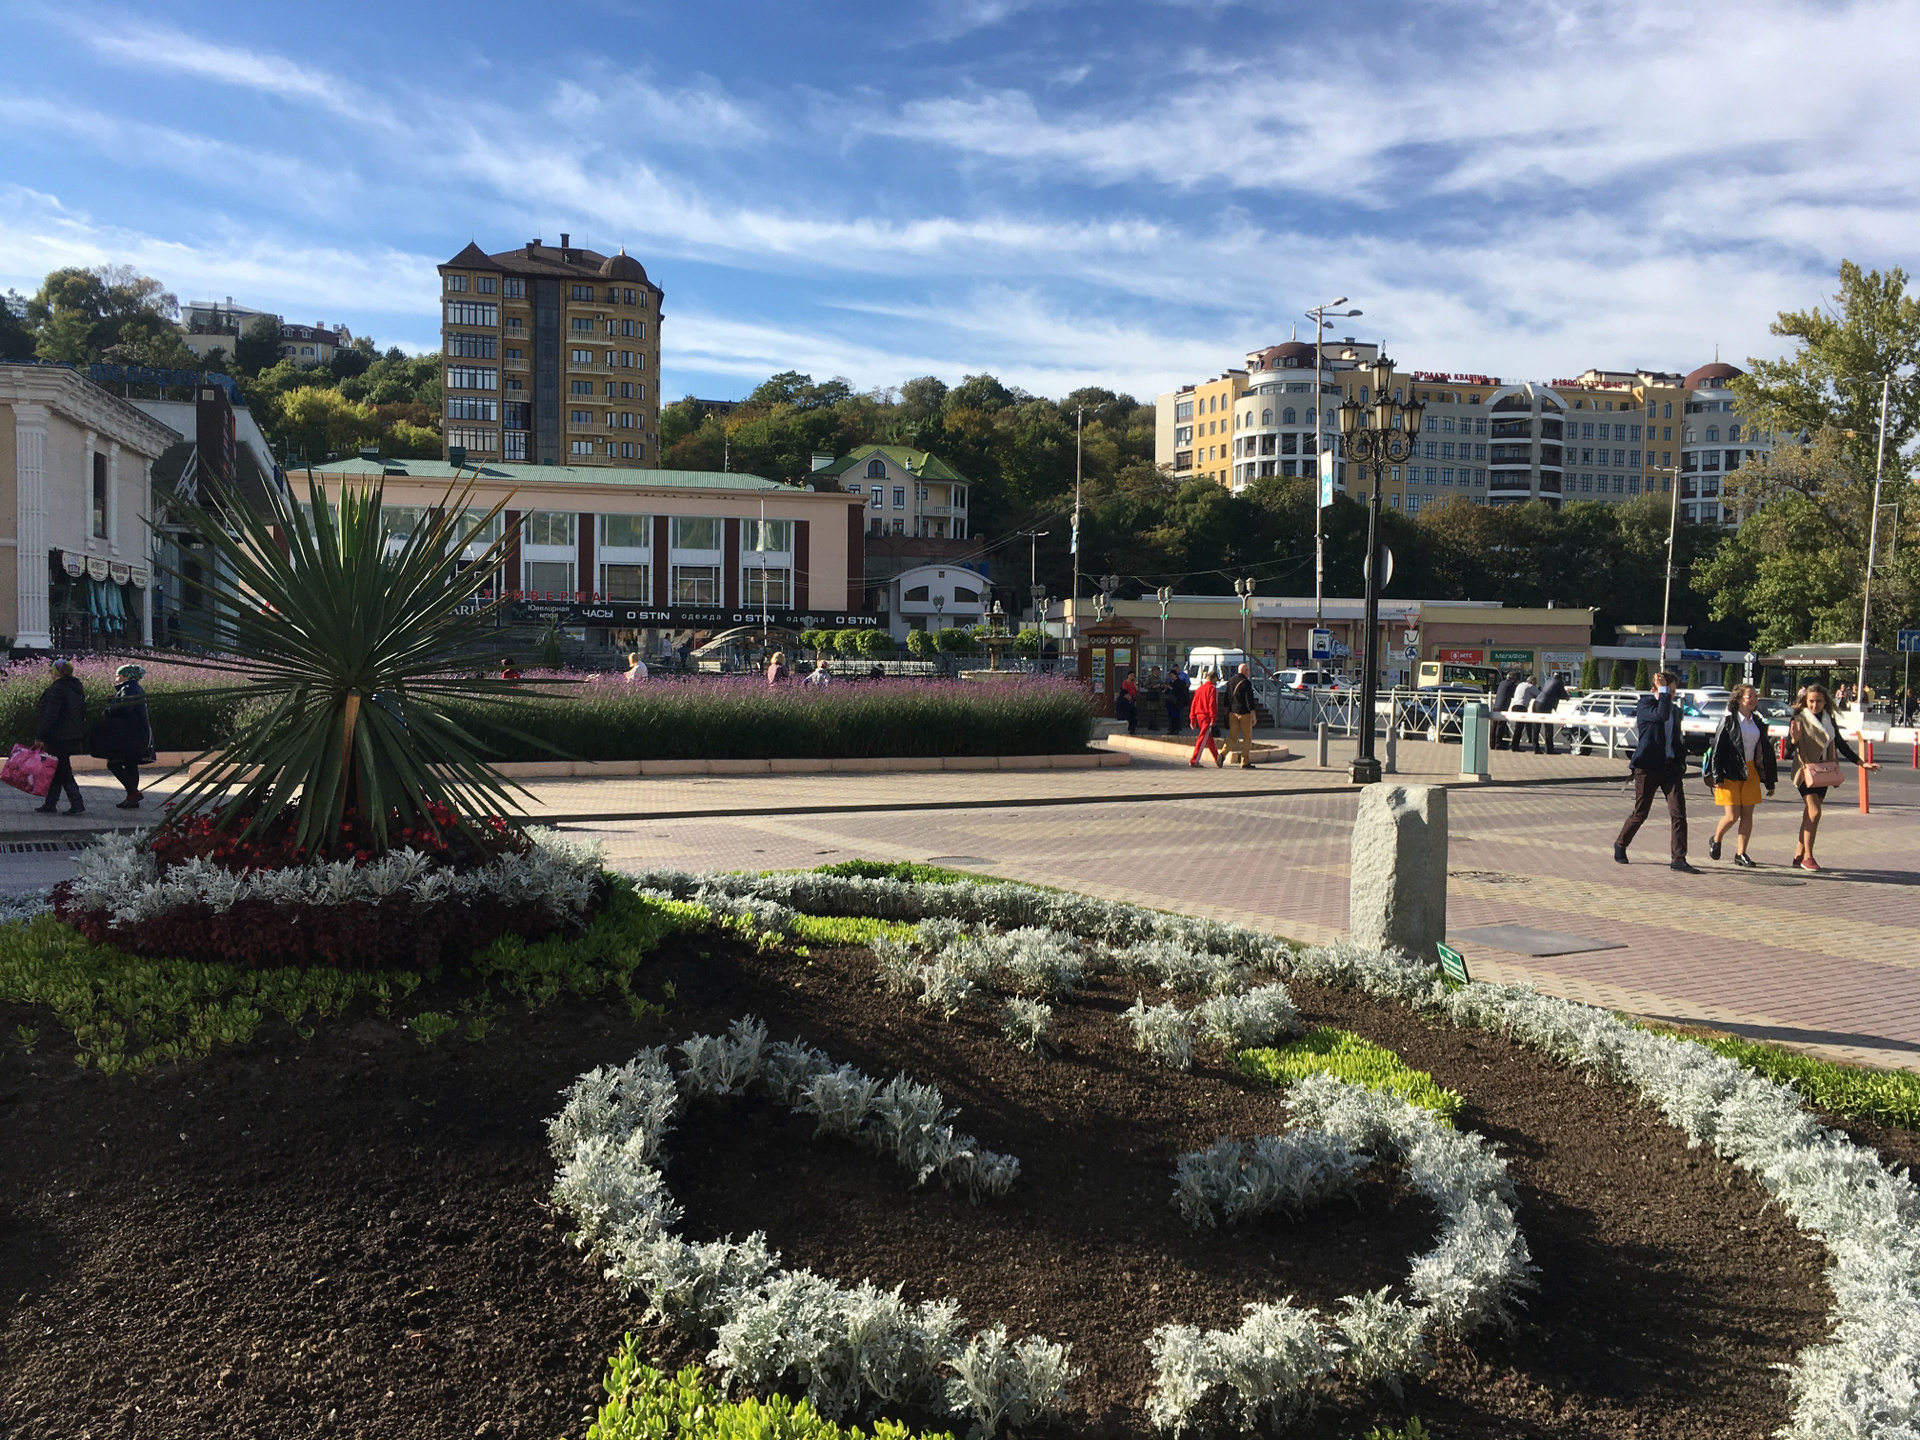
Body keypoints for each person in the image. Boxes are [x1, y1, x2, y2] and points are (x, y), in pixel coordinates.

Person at [1788, 683, 1878, 872]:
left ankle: (1798, 855)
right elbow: (1789, 748)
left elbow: (1841, 744)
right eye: (1811, 701)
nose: (1815, 705)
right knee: (1814, 812)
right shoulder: (1799, 718)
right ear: (1805, 701)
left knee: (1809, 815)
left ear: (1825, 702)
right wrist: (1793, 740)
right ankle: (1808, 857)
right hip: (1805, 772)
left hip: (1824, 772)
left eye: (1818, 701)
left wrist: (1861, 763)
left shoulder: (1828, 719)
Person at [1613, 669, 1694, 871]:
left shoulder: (1675, 710)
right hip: (1648, 766)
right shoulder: (1645, 705)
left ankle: (1678, 859)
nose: (1671, 696)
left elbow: (1674, 737)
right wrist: (1663, 691)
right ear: (1654, 690)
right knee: (1641, 812)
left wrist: (1681, 761)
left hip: (1670, 767)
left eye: (1673, 692)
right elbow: (1660, 715)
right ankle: (1621, 843)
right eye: (1668, 691)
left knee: (1678, 813)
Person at [1706, 683, 1776, 867]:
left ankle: (1741, 853)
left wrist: (1769, 781)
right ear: (1738, 699)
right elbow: (1717, 750)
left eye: (1755, 696)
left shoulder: (1757, 721)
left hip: (1750, 770)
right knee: (1732, 815)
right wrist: (1717, 776)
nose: (1754, 699)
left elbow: (1765, 752)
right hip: (1730, 772)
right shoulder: (1728, 720)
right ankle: (1716, 839)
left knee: (1747, 814)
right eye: (1749, 696)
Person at [33, 659, 87, 816]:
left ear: (57, 672)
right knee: (58, 768)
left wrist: (40, 736)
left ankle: (77, 803)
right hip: (71, 735)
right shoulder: (76, 689)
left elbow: (50, 715)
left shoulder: (57, 690)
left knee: (63, 770)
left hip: (58, 736)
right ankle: (50, 804)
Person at [101, 663, 153, 810]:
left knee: (114, 763)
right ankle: (132, 798)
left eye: (118, 675)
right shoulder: (134, 688)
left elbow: (125, 709)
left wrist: (109, 709)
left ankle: (133, 793)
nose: (116, 678)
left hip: (129, 734)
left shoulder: (128, 688)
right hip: (137, 733)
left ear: (126, 676)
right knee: (131, 765)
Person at [1224, 662, 1259, 769]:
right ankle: (1244, 761)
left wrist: (1227, 711)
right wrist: (1253, 714)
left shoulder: (1230, 681)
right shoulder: (1246, 682)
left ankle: (1222, 754)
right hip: (1244, 713)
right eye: (1248, 670)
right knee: (1247, 738)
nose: (1249, 672)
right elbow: (1249, 700)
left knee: (1232, 737)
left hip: (1232, 713)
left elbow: (1226, 698)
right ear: (1244, 671)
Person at [1187, 665, 1222, 767]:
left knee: (1208, 738)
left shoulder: (1199, 689)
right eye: (1216, 680)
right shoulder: (1212, 689)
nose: (1216, 682)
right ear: (1214, 678)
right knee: (1202, 738)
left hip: (1199, 715)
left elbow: (1193, 704)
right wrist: (1213, 718)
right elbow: (1212, 704)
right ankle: (1194, 760)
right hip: (1207, 716)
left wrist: (1192, 718)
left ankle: (1217, 758)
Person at [1531, 671, 1570, 755]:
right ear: (1561, 677)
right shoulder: (1559, 682)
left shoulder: (1548, 681)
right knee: (1549, 728)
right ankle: (1549, 749)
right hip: (1545, 705)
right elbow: (1563, 694)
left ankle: (1536, 748)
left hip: (1536, 703)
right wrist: (1567, 696)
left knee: (1536, 727)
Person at [1506, 673, 1539, 751]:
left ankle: (1527, 739)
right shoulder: (1530, 686)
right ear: (1532, 681)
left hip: (1514, 706)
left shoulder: (1520, 684)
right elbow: (1539, 694)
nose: (1535, 685)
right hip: (1521, 707)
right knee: (1519, 728)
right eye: (1535, 683)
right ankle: (1515, 746)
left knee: (1522, 725)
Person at [1490, 670, 1520, 750]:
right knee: (1500, 726)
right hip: (1503, 706)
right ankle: (1498, 745)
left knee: (1494, 726)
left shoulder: (1502, 683)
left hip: (1496, 705)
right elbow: (1516, 692)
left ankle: (1492, 744)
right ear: (1513, 678)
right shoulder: (1511, 684)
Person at [1165, 665, 1190, 736]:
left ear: (1175, 675)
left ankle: (1176, 729)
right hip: (1171, 702)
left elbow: (1179, 692)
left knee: (1176, 716)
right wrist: (1167, 688)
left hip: (1177, 702)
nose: (1171, 677)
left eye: (1172, 675)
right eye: (1170, 675)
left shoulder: (1179, 683)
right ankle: (1171, 728)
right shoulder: (1171, 682)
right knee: (1171, 716)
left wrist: (1171, 688)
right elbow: (1168, 692)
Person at [1117, 669, 1138, 735]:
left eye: (1133, 675)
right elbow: (1124, 690)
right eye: (1131, 675)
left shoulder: (1133, 683)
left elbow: (1137, 690)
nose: (1132, 677)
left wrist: (1134, 684)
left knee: (1133, 710)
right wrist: (1127, 696)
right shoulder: (1125, 682)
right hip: (1127, 697)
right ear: (1128, 676)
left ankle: (1132, 728)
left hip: (1132, 697)